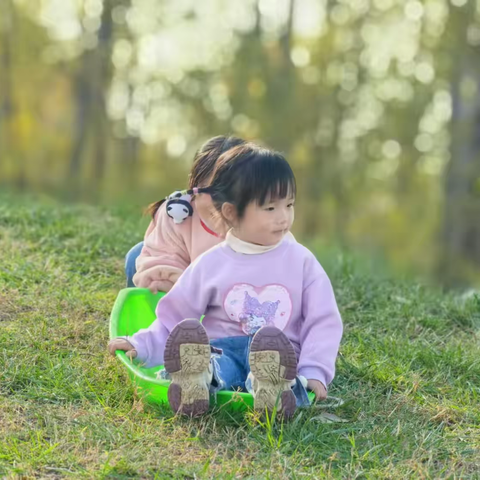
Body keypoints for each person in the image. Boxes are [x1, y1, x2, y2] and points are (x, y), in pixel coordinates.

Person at [110, 143, 343, 419]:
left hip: (279, 356)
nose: (283, 218)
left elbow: (322, 320)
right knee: (210, 361)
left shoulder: (302, 262)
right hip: (223, 350)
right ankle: (197, 382)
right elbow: (175, 317)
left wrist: (315, 370)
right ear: (232, 212)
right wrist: (143, 345)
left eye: (289, 205)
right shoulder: (212, 263)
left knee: (284, 373)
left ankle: (273, 391)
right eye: (270, 208)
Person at [125, 135, 246, 291]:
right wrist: (176, 286)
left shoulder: (262, 214)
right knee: (135, 257)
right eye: (217, 192)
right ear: (194, 185)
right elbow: (162, 259)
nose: (228, 203)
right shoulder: (177, 213)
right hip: (181, 277)